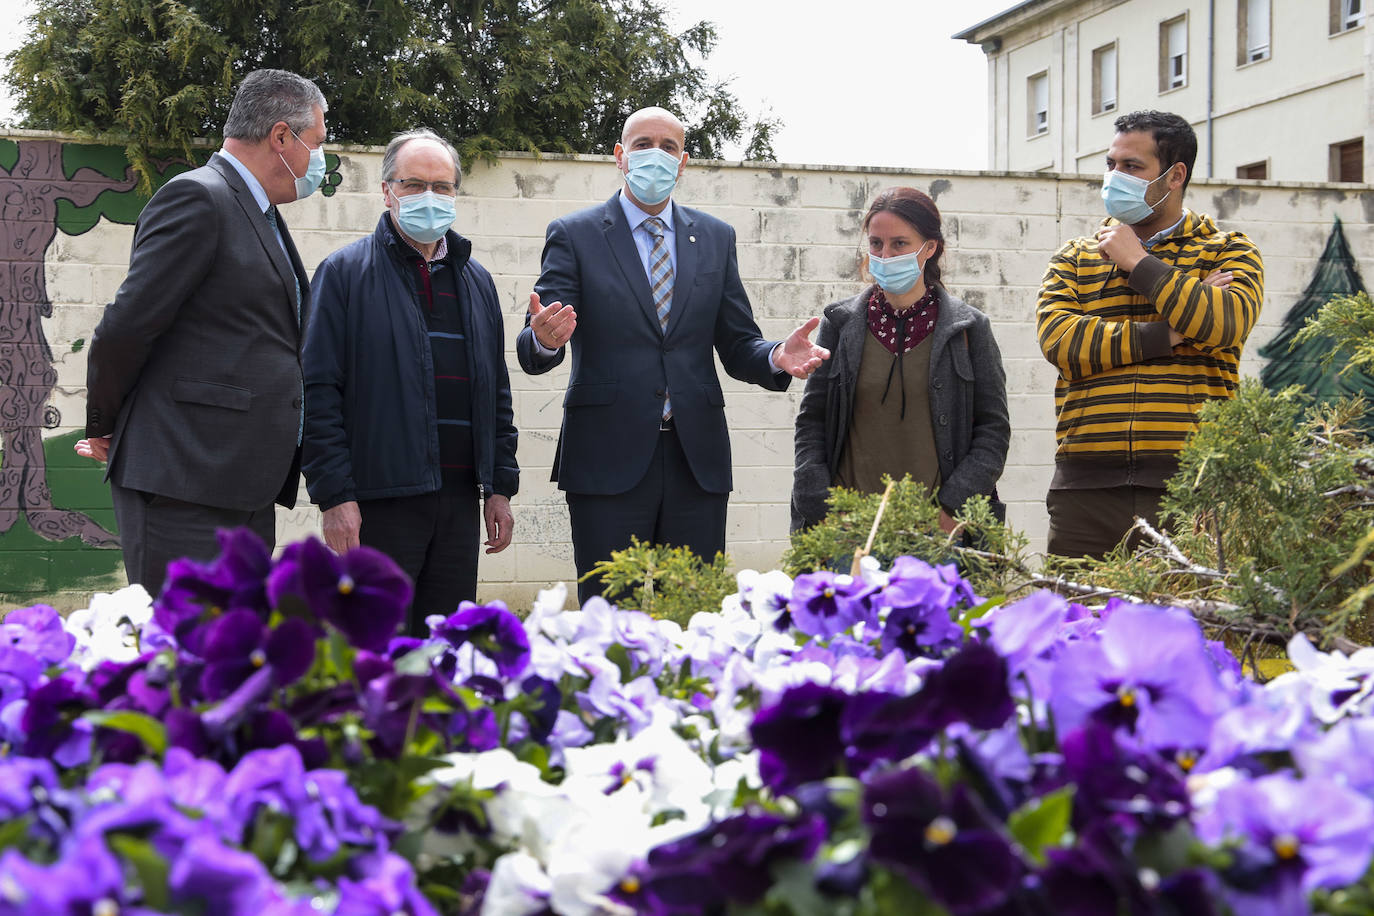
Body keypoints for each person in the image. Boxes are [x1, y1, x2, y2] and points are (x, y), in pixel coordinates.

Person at [516, 106, 829, 603]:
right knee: (608, 615)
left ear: (683, 162)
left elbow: (737, 342)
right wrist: (545, 340)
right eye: (642, 145)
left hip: (695, 459)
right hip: (606, 457)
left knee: (692, 611)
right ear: (620, 156)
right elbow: (537, 340)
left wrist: (775, 357)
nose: (655, 156)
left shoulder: (715, 238)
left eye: (668, 147)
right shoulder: (574, 234)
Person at [77, 69, 327, 594]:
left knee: (231, 661)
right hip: (184, 485)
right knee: (183, 658)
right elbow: (125, 327)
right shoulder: (198, 197)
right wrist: (105, 423)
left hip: (239, 486)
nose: (317, 162)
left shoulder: (258, 212)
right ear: (281, 137)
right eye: (316, 144)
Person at [302, 129, 518, 634]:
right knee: (371, 654)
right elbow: (317, 392)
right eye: (414, 183)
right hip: (378, 506)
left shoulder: (477, 281)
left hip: (459, 503)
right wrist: (334, 497)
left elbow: (496, 395)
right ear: (387, 190)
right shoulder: (343, 274)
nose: (430, 197)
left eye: (442, 187)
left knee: (444, 652)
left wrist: (499, 488)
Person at [1037, 109, 1264, 559]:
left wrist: (1138, 263)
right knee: (1076, 626)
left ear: (1175, 175)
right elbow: (1062, 342)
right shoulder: (1075, 257)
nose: (1114, 177)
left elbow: (1224, 323)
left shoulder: (1230, 250)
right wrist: (1172, 332)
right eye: (1111, 165)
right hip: (1086, 487)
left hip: (1195, 489)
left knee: (1197, 625)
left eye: (1131, 167)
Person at [791, 187, 1010, 534]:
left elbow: (993, 430)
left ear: (930, 248)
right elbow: (812, 422)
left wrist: (950, 510)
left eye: (900, 244)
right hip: (849, 532)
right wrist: (822, 508)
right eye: (876, 243)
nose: (885, 255)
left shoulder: (969, 329)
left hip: (937, 534)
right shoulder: (839, 324)